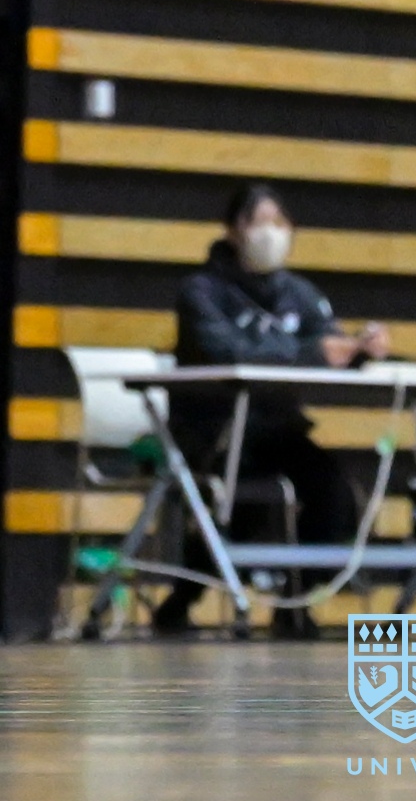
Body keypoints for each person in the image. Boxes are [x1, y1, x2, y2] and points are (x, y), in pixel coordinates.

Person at [151, 183, 384, 636]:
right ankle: (182, 599)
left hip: (275, 432)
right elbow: (227, 352)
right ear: (233, 229)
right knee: (242, 509)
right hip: (213, 431)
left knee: (334, 493)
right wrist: (309, 353)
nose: (271, 233)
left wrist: (360, 349)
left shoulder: (299, 293)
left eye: (279, 222)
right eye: (259, 222)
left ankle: (296, 599)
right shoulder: (201, 291)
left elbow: (329, 342)